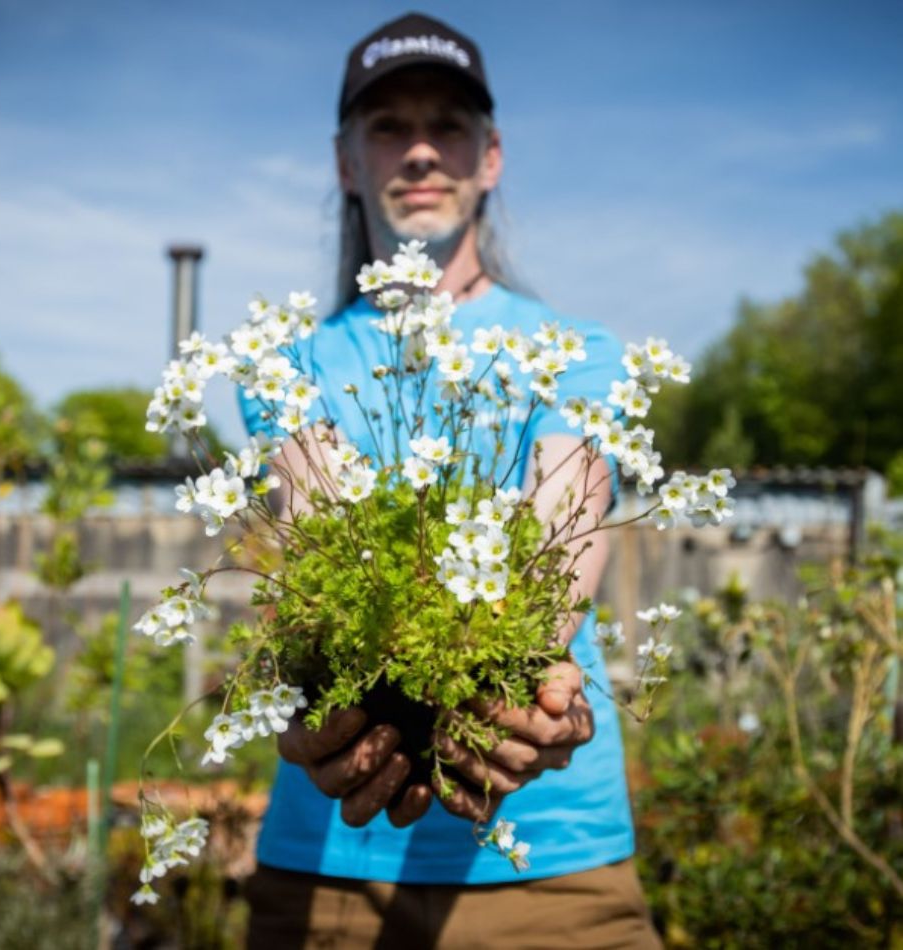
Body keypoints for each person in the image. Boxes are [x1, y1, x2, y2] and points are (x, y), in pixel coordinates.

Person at [240, 13, 661, 949]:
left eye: (449, 126)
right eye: (388, 126)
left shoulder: (576, 354)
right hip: (332, 860)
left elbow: (566, 524)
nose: (421, 150)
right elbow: (312, 523)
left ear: (492, 157)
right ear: (347, 162)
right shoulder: (287, 363)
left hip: (553, 864)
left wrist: (515, 686)